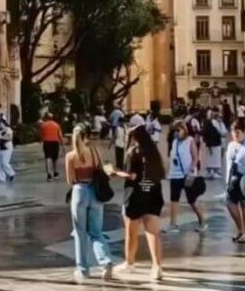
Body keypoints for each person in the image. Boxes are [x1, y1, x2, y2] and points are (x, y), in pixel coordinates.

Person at [114, 125, 165, 280]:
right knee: (153, 232)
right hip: (154, 193)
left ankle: (129, 263)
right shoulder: (154, 152)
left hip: (135, 195)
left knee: (131, 231)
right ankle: (157, 266)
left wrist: (115, 172)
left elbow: (132, 175)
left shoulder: (132, 152)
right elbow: (161, 173)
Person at [65, 124, 113, 282]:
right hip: (95, 192)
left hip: (79, 192)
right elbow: (102, 168)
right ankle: (105, 261)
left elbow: (70, 180)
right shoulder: (94, 151)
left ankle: (83, 269)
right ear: (87, 136)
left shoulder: (71, 156)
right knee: (96, 232)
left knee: (80, 233)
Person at [165, 120, 207, 233]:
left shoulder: (190, 141)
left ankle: (202, 221)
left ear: (184, 129)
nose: (176, 133)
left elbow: (195, 157)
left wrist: (192, 169)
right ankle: (172, 224)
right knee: (174, 199)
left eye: (178, 130)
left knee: (191, 200)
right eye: (175, 131)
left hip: (187, 174)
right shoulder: (174, 142)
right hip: (175, 174)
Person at [202, 110, 226, 179]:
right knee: (214, 158)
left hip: (213, 143)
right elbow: (217, 133)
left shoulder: (208, 123)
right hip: (213, 143)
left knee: (213, 158)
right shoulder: (211, 123)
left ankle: (212, 171)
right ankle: (213, 172)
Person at [40, 113, 63, 181]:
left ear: (46, 118)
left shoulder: (43, 125)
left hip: (47, 142)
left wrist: (41, 140)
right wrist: (63, 145)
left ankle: (49, 175)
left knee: (48, 158)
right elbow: (60, 135)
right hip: (55, 142)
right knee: (55, 159)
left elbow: (41, 135)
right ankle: (55, 173)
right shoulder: (57, 125)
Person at [0, 117, 16, 183]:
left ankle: (11, 173)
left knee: (5, 162)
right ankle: (1, 178)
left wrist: (1, 137)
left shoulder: (8, 130)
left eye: (0, 123)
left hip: (7, 147)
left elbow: (9, 138)